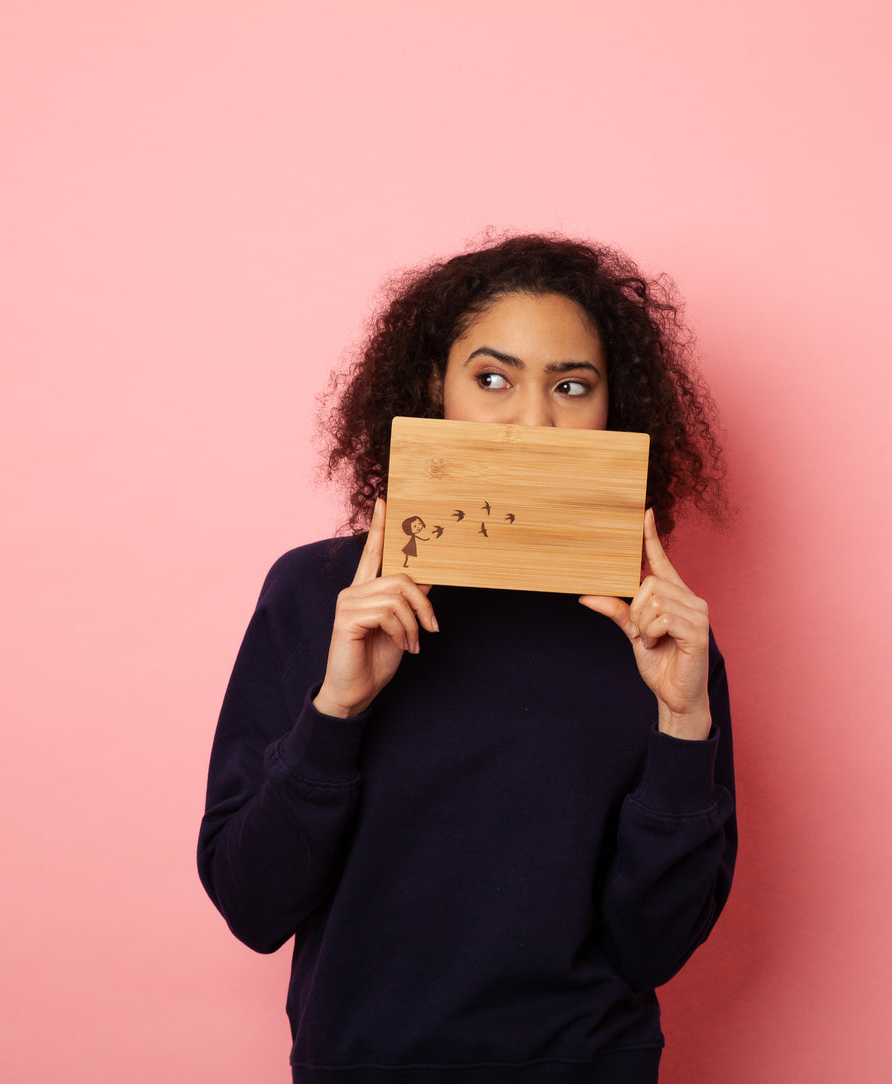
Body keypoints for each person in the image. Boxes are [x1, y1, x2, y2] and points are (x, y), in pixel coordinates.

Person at [197, 234, 735, 1083]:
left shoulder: (656, 635)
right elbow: (253, 905)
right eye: (492, 380)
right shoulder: (318, 596)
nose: (533, 420)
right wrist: (334, 713)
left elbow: (654, 946)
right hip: (363, 1064)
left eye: (570, 385)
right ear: (430, 392)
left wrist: (681, 723)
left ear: (611, 407)